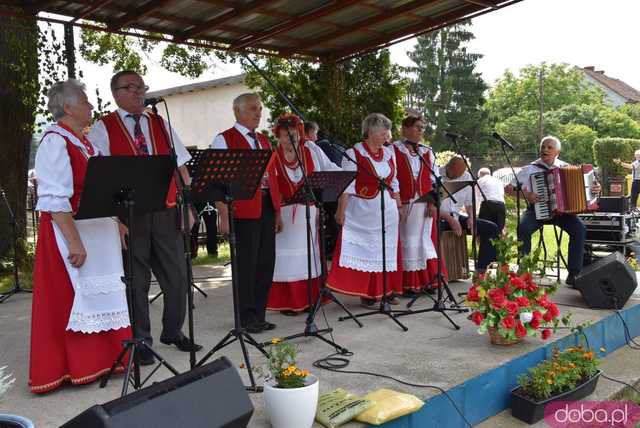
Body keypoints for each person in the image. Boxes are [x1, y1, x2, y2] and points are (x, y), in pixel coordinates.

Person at [88, 70, 201, 366]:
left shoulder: (159, 123)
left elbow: (182, 167)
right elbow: (100, 176)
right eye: (132, 87)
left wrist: (188, 205)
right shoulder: (103, 127)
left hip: (165, 210)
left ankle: (173, 331)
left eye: (142, 87)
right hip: (131, 214)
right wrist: (116, 220)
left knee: (178, 276)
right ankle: (142, 341)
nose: (139, 92)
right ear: (117, 93)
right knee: (136, 282)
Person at [30, 79, 131, 394]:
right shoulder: (54, 141)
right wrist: (75, 241)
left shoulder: (87, 143)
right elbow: (54, 198)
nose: (90, 107)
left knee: (102, 296)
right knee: (72, 300)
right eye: (86, 102)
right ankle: (74, 367)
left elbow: (102, 187)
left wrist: (117, 221)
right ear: (69, 106)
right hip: (71, 232)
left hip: (98, 231)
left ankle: (105, 359)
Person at [211, 93, 282, 333]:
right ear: (238, 111)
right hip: (242, 211)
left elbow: (272, 178)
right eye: (253, 108)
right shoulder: (224, 139)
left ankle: (259, 315)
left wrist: (278, 212)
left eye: (260, 109)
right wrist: (223, 215)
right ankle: (245, 318)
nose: (258, 113)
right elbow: (215, 181)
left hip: (266, 207)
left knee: (265, 263)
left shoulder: (263, 140)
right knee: (246, 265)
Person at [327, 113, 404, 306]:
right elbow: (347, 186)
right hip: (363, 211)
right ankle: (367, 293)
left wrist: (399, 204)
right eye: (382, 133)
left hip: (387, 211)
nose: (387, 138)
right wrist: (341, 211)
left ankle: (385, 291)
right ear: (370, 132)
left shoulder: (388, 153)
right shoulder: (354, 153)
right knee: (366, 251)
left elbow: (394, 181)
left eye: (387, 133)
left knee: (384, 251)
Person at [267, 114, 340, 315]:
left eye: (292, 134)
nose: (288, 139)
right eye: (284, 135)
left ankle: (309, 298)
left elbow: (329, 171)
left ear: (299, 134)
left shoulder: (311, 151)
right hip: (285, 214)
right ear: (278, 136)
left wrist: (319, 205)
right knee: (288, 259)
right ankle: (290, 301)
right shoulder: (272, 156)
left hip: (308, 212)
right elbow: (271, 188)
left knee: (308, 255)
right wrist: (276, 214)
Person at [506, 136, 600, 286]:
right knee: (523, 228)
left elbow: (590, 188)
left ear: (558, 151)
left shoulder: (565, 167)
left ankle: (574, 273)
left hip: (561, 212)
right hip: (536, 210)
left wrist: (596, 189)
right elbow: (508, 189)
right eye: (543, 147)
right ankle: (523, 272)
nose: (545, 150)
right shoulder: (529, 169)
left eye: (549, 147)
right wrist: (526, 195)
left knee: (579, 229)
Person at [393, 115, 442, 295]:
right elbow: (392, 177)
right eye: (417, 127)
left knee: (423, 239)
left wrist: (433, 202)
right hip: (405, 202)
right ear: (405, 128)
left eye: (422, 128)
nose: (421, 131)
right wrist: (398, 203)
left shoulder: (427, 151)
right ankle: (409, 284)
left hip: (424, 202)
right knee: (408, 240)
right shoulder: (393, 149)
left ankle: (426, 281)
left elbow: (434, 179)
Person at [440, 156, 499, 276]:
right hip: (439, 217)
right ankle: (439, 273)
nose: (458, 176)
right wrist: (450, 220)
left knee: (491, 228)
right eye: (455, 173)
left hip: (456, 217)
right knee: (434, 230)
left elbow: (469, 203)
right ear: (448, 167)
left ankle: (482, 270)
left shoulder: (467, 177)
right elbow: (430, 205)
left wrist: (471, 217)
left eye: (461, 173)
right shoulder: (436, 174)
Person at [476, 167, 507, 234]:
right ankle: (498, 244)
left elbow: (477, 198)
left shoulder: (480, 181)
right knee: (498, 231)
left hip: (488, 205)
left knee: (485, 231)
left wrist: (476, 211)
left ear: (480, 175)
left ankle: (485, 244)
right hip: (501, 206)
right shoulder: (499, 181)